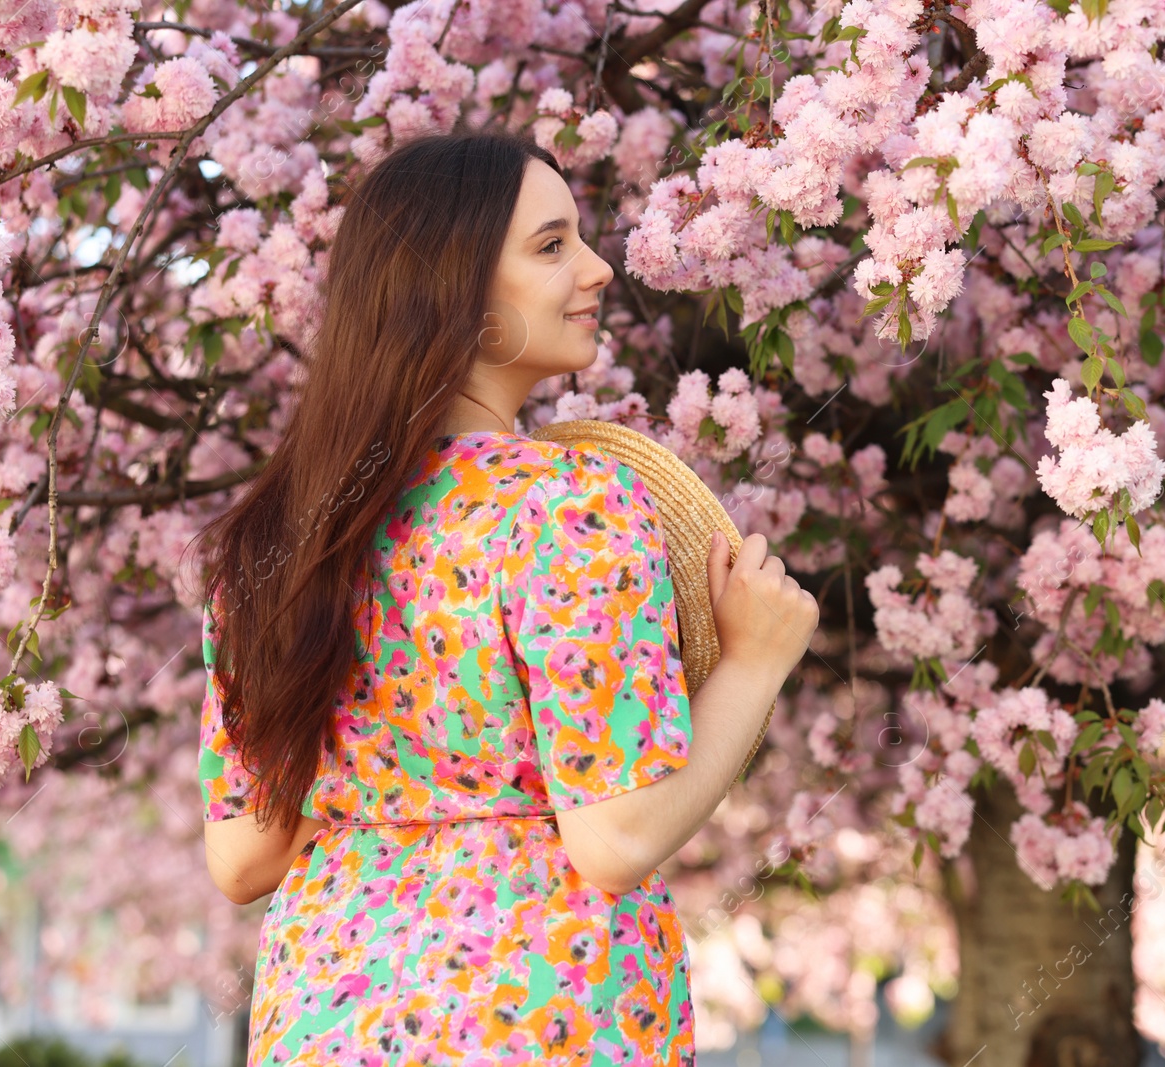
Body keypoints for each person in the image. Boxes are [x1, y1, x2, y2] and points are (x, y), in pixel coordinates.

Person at [190, 130, 818, 1065]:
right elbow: (614, 835)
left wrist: (401, 789)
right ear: (457, 294)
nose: (601, 268)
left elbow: (241, 857)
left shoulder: (280, 537)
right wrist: (757, 660)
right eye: (552, 245)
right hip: (537, 1013)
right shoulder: (567, 507)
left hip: (324, 1011)